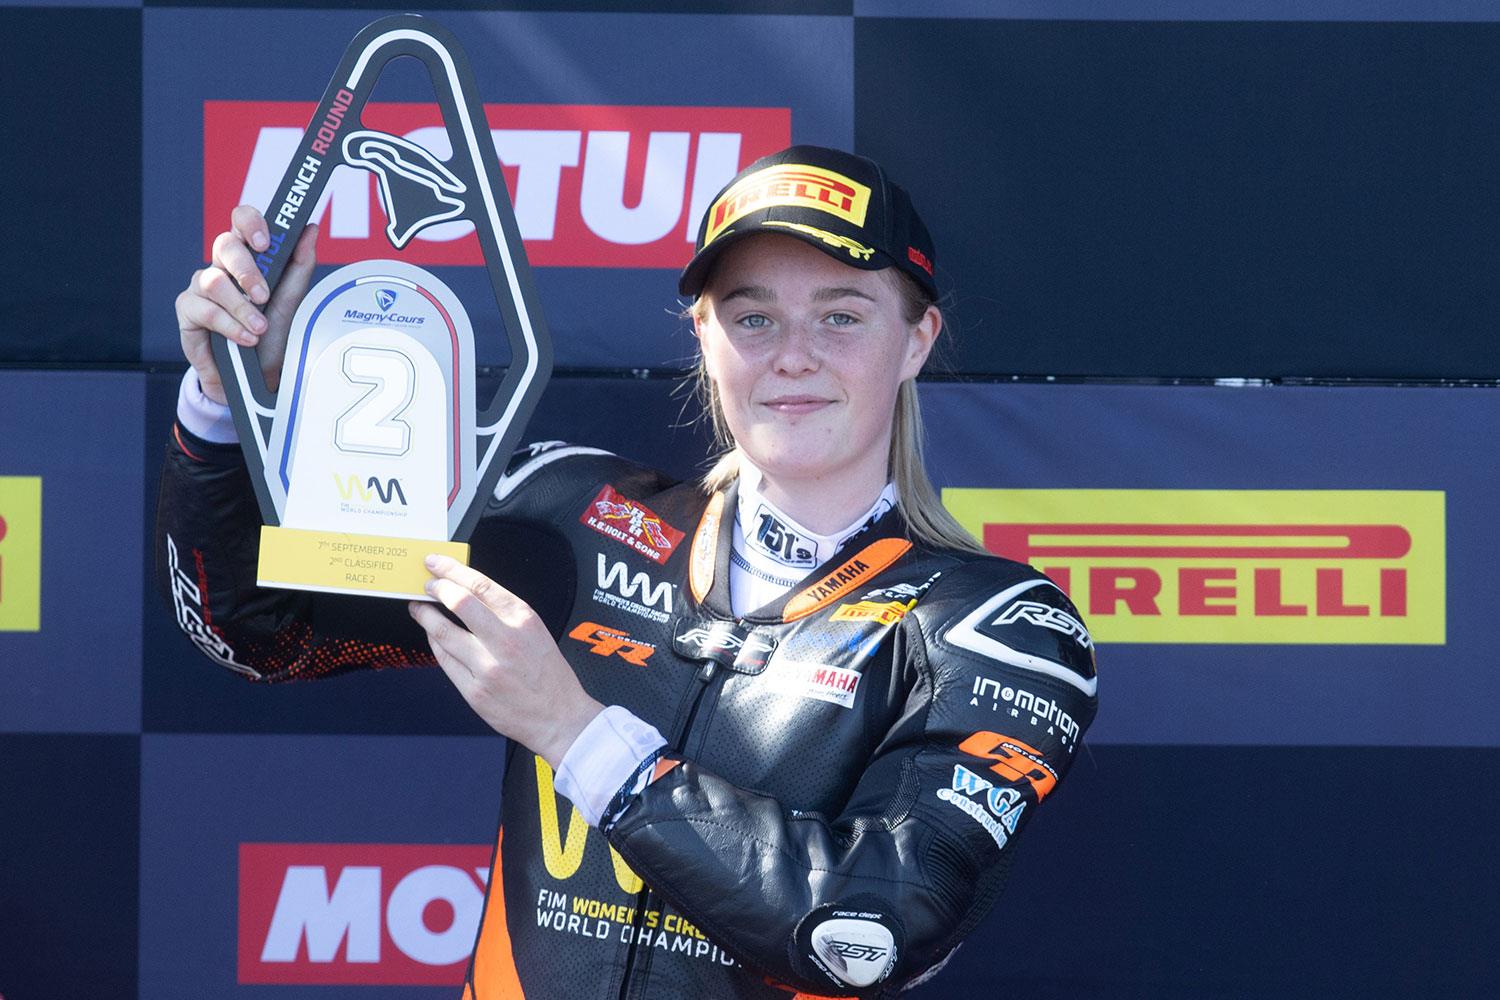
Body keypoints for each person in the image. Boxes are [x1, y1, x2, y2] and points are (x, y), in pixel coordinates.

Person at [159, 145, 1098, 999]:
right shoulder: (572, 517)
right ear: (703, 335)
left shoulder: (992, 624)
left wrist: (576, 735)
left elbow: (868, 931)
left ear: (917, 340)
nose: (793, 357)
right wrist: (229, 398)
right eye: (753, 317)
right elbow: (256, 631)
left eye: (841, 317)